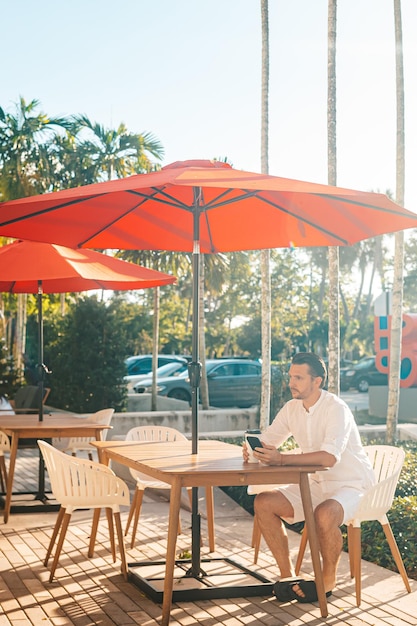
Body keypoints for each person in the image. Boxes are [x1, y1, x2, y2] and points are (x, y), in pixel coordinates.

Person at [243, 352, 375, 605]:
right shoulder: (292, 408)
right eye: (291, 376)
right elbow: (270, 440)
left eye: (299, 378)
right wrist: (255, 450)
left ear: (318, 381)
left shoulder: (336, 409)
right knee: (264, 502)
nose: (292, 383)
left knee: (324, 514)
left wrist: (281, 460)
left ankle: (326, 581)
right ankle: (287, 577)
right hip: (314, 484)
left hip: (352, 485)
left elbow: (329, 458)